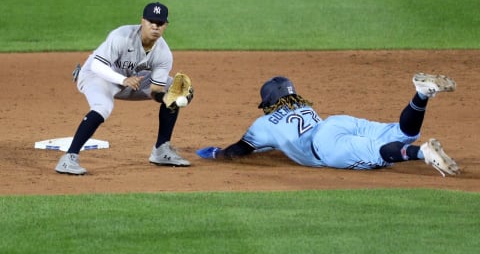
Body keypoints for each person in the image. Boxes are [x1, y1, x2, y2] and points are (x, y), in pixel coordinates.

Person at [196, 73, 460, 177]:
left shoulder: (263, 123)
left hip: (325, 146)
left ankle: (422, 153)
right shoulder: (304, 106)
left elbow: (238, 151)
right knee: (402, 132)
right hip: (336, 122)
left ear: (269, 101)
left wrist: (217, 154)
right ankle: (422, 94)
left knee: (376, 153)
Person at [55, 2, 191, 175]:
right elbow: (98, 66)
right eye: (151, 21)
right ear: (142, 21)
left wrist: (170, 98)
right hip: (97, 75)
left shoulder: (163, 54)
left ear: (166, 25)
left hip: (132, 81)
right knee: (103, 106)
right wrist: (123, 79)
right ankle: (68, 158)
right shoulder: (121, 36)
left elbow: (155, 91)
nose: (155, 26)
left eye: (160, 23)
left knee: (175, 87)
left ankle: (161, 151)